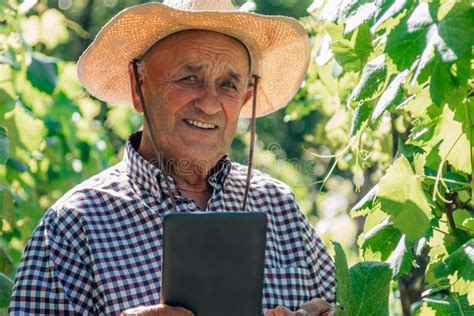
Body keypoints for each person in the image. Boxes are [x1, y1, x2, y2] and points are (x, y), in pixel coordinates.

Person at [9, 1, 336, 315]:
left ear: (245, 99)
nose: (209, 104)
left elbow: (345, 306)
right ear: (139, 87)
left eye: (228, 84)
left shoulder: (279, 207)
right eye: (189, 78)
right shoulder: (72, 226)